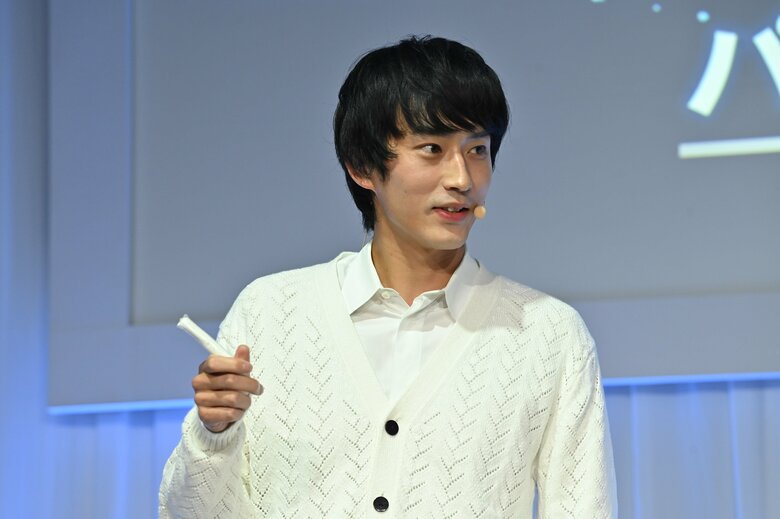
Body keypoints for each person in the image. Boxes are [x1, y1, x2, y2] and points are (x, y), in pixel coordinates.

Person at [159, 35, 617, 518]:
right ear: (362, 167)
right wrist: (214, 434)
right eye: (432, 149)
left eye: (477, 149)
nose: (462, 178)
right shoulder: (272, 312)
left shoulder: (547, 334)